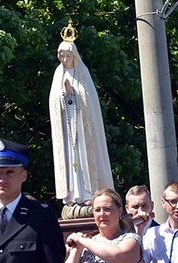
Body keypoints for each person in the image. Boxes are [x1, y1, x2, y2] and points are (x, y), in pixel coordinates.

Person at [49, 22, 114, 217]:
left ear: (74, 56)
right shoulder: (58, 75)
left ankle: (88, 193)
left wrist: (74, 95)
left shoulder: (82, 74)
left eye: (68, 56)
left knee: (85, 158)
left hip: (83, 130)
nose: (65, 59)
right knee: (70, 160)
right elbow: (54, 101)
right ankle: (71, 196)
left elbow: (89, 101)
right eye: (62, 56)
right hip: (67, 129)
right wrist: (64, 95)